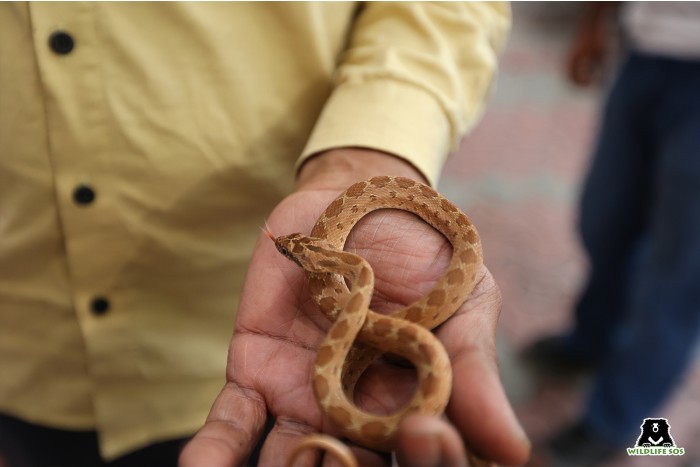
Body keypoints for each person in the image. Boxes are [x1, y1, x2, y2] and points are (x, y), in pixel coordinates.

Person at [0, 3, 531, 467]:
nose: (294, 251)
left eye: (300, 254)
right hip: (31, 352)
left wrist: (363, 154)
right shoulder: (342, 282)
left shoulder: (343, 288)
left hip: (240, 360)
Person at [523, 2, 700, 465]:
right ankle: (592, 340)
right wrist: (595, 23)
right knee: (604, 221)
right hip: (646, 50)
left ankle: (617, 416)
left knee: (678, 269)